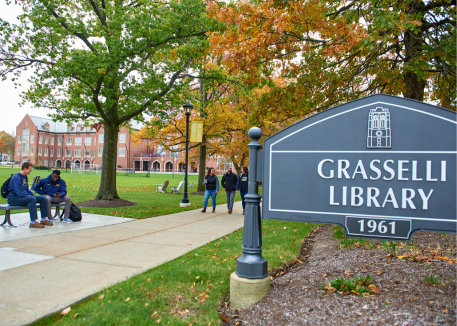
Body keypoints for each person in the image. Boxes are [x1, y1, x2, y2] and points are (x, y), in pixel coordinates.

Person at [6, 162, 50, 228]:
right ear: (24, 168)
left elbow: (26, 189)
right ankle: (33, 222)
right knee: (32, 199)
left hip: (22, 197)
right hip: (14, 199)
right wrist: (31, 196)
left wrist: (31, 194)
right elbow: (19, 192)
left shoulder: (24, 177)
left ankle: (43, 219)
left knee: (43, 198)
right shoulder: (16, 177)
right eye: (29, 169)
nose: (31, 171)